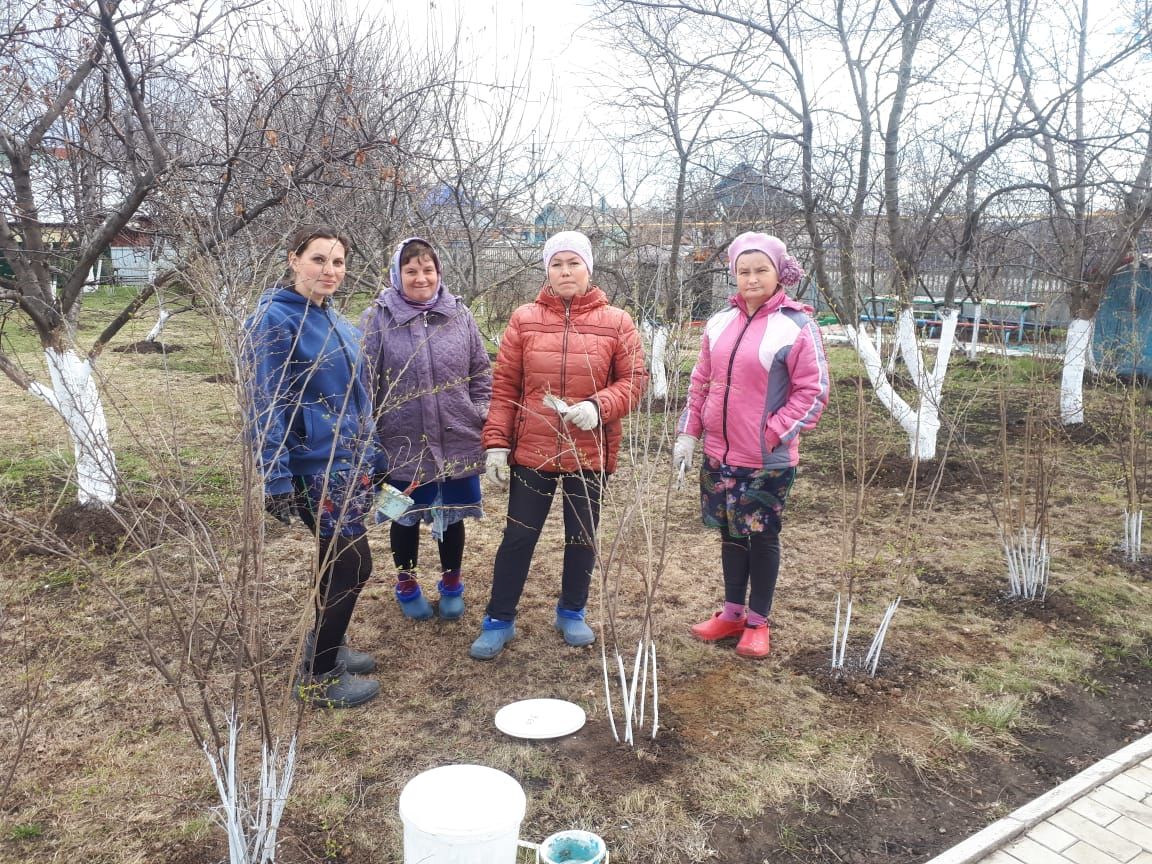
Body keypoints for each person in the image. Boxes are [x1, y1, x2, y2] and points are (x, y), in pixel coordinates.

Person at [470, 230, 650, 660]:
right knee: (518, 536)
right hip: (533, 449)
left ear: (589, 267)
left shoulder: (617, 322)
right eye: (556, 264)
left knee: (581, 537)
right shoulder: (524, 319)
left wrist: (599, 405)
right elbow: (506, 387)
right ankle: (499, 618)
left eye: (573, 263)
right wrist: (496, 444)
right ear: (546, 270)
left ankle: (572, 610)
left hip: (589, 451)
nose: (565, 271)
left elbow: (635, 381)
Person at [245, 226, 386, 708]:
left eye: (338, 262)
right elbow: (265, 400)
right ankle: (320, 677)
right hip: (311, 465)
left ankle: (326, 644)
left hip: (348, 462)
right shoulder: (274, 321)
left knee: (338, 563)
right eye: (319, 259)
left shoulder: (338, 322)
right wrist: (275, 473)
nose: (330, 271)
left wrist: (375, 455)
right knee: (352, 563)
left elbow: (358, 399)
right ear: (293, 259)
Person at [673, 232, 829, 658]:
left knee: (760, 536)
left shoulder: (796, 325)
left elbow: (812, 391)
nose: (752, 278)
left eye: (761, 269)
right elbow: (700, 381)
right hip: (718, 454)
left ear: (779, 273)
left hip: (765, 459)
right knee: (729, 534)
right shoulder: (720, 321)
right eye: (744, 270)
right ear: (734, 273)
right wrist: (690, 432)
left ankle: (758, 621)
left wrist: (772, 431)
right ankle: (732, 612)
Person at [360, 238, 492, 621]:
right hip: (398, 445)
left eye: (428, 269)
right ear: (397, 274)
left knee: (451, 515)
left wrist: (478, 412)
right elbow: (362, 384)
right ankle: (407, 583)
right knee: (401, 517)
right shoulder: (377, 319)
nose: (421, 278)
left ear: (439, 272)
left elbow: (481, 374)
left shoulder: (459, 315)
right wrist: (370, 439)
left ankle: (452, 582)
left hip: (456, 440)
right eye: (411, 270)